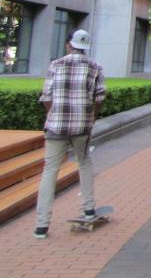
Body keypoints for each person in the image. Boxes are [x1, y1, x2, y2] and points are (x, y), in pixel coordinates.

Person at [34, 29, 106, 239]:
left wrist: (53, 114)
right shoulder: (95, 67)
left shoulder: (55, 65)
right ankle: (89, 208)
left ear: (69, 44)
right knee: (84, 162)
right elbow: (99, 98)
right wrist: (91, 119)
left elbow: (46, 96)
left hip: (56, 126)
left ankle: (41, 225)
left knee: (50, 170)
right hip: (82, 126)